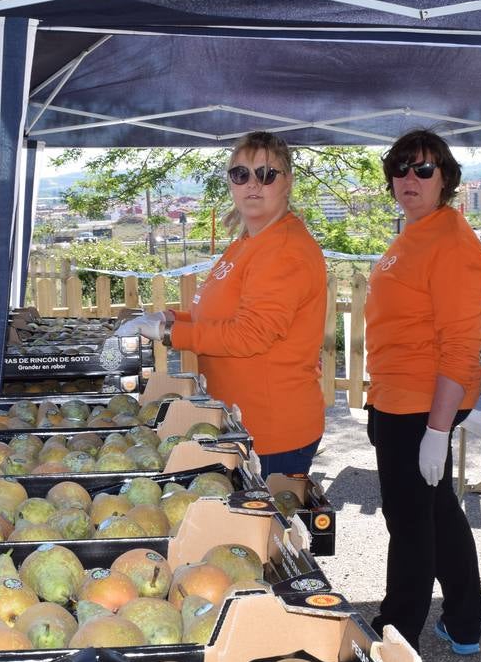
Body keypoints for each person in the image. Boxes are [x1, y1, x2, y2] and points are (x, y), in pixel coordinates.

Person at [116, 130, 327, 477]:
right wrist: (168, 316)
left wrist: (168, 331)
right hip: (241, 420)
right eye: (241, 174)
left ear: (287, 181)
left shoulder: (283, 248)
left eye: (266, 174)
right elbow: (216, 317)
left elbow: (250, 335)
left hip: (273, 431)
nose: (253, 184)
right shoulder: (250, 241)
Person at [365, 129, 481, 656]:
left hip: (420, 406)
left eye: (423, 169)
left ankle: (396, 636)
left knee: (410, 523)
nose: (408, 179)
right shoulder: (417, 231)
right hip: (397, 399)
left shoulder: (452, 242)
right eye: (400, 168)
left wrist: (437, 430)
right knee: (437, 510)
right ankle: (464, 620)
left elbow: (462, 344)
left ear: (446, 179)